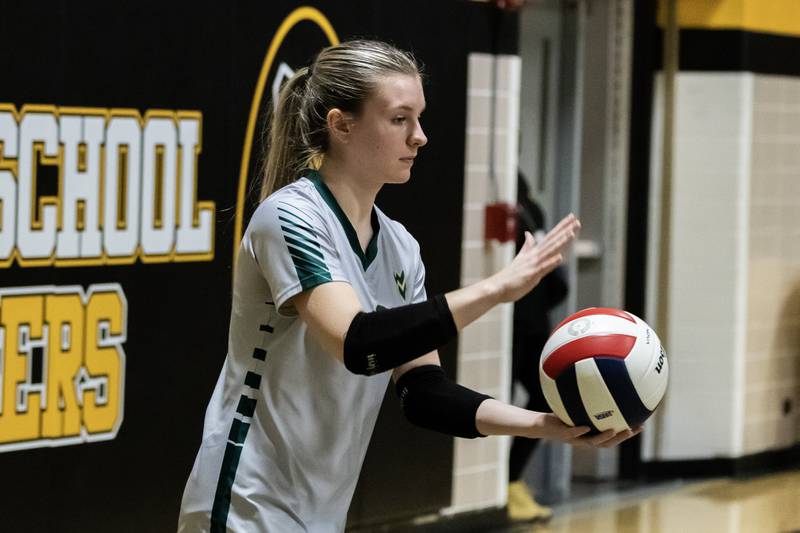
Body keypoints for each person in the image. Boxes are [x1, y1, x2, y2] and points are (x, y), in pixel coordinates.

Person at [177, 39, 639, 533]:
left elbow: (422, 393)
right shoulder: (291, 217)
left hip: (317, 512)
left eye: (418, 118)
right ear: (341, 124)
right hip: (246, 502)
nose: (420, 137)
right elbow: (358, 343)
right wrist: (497, 289)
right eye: (400, 119)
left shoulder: (399, 246)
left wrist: (547, 425)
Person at [507, 174, 568, 522]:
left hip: (533, 320)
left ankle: (512, 479)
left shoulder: (530, 210)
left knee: (546, 395)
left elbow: (553, 275)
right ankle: (505, 484)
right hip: (510, 319)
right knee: (500, 401)